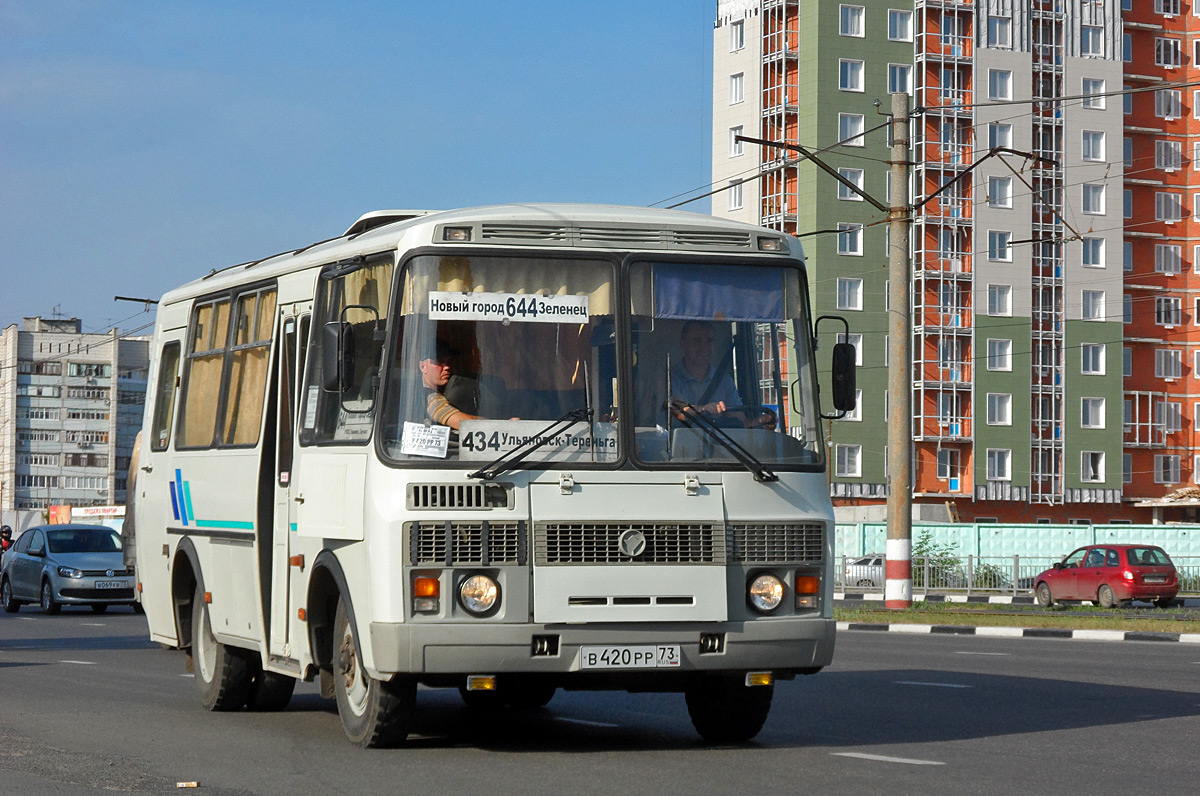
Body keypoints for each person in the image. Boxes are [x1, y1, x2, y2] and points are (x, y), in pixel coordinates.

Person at [668, 321, 776, 430]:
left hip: (723, 445)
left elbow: (742, 422)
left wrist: (759, 422)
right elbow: (678, 411)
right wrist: (704, 409)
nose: (704, 347)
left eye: (709, 341)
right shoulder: (670, 378)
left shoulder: (724, 381)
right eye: (697, 341)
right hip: (677, 445)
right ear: (683, 344)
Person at [419, 341, 480, 431]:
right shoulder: (430, 399)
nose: (447, 367)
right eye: (439, 362)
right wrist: (504, 425)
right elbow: (464, 424)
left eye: (449, 361)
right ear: (423, 367)